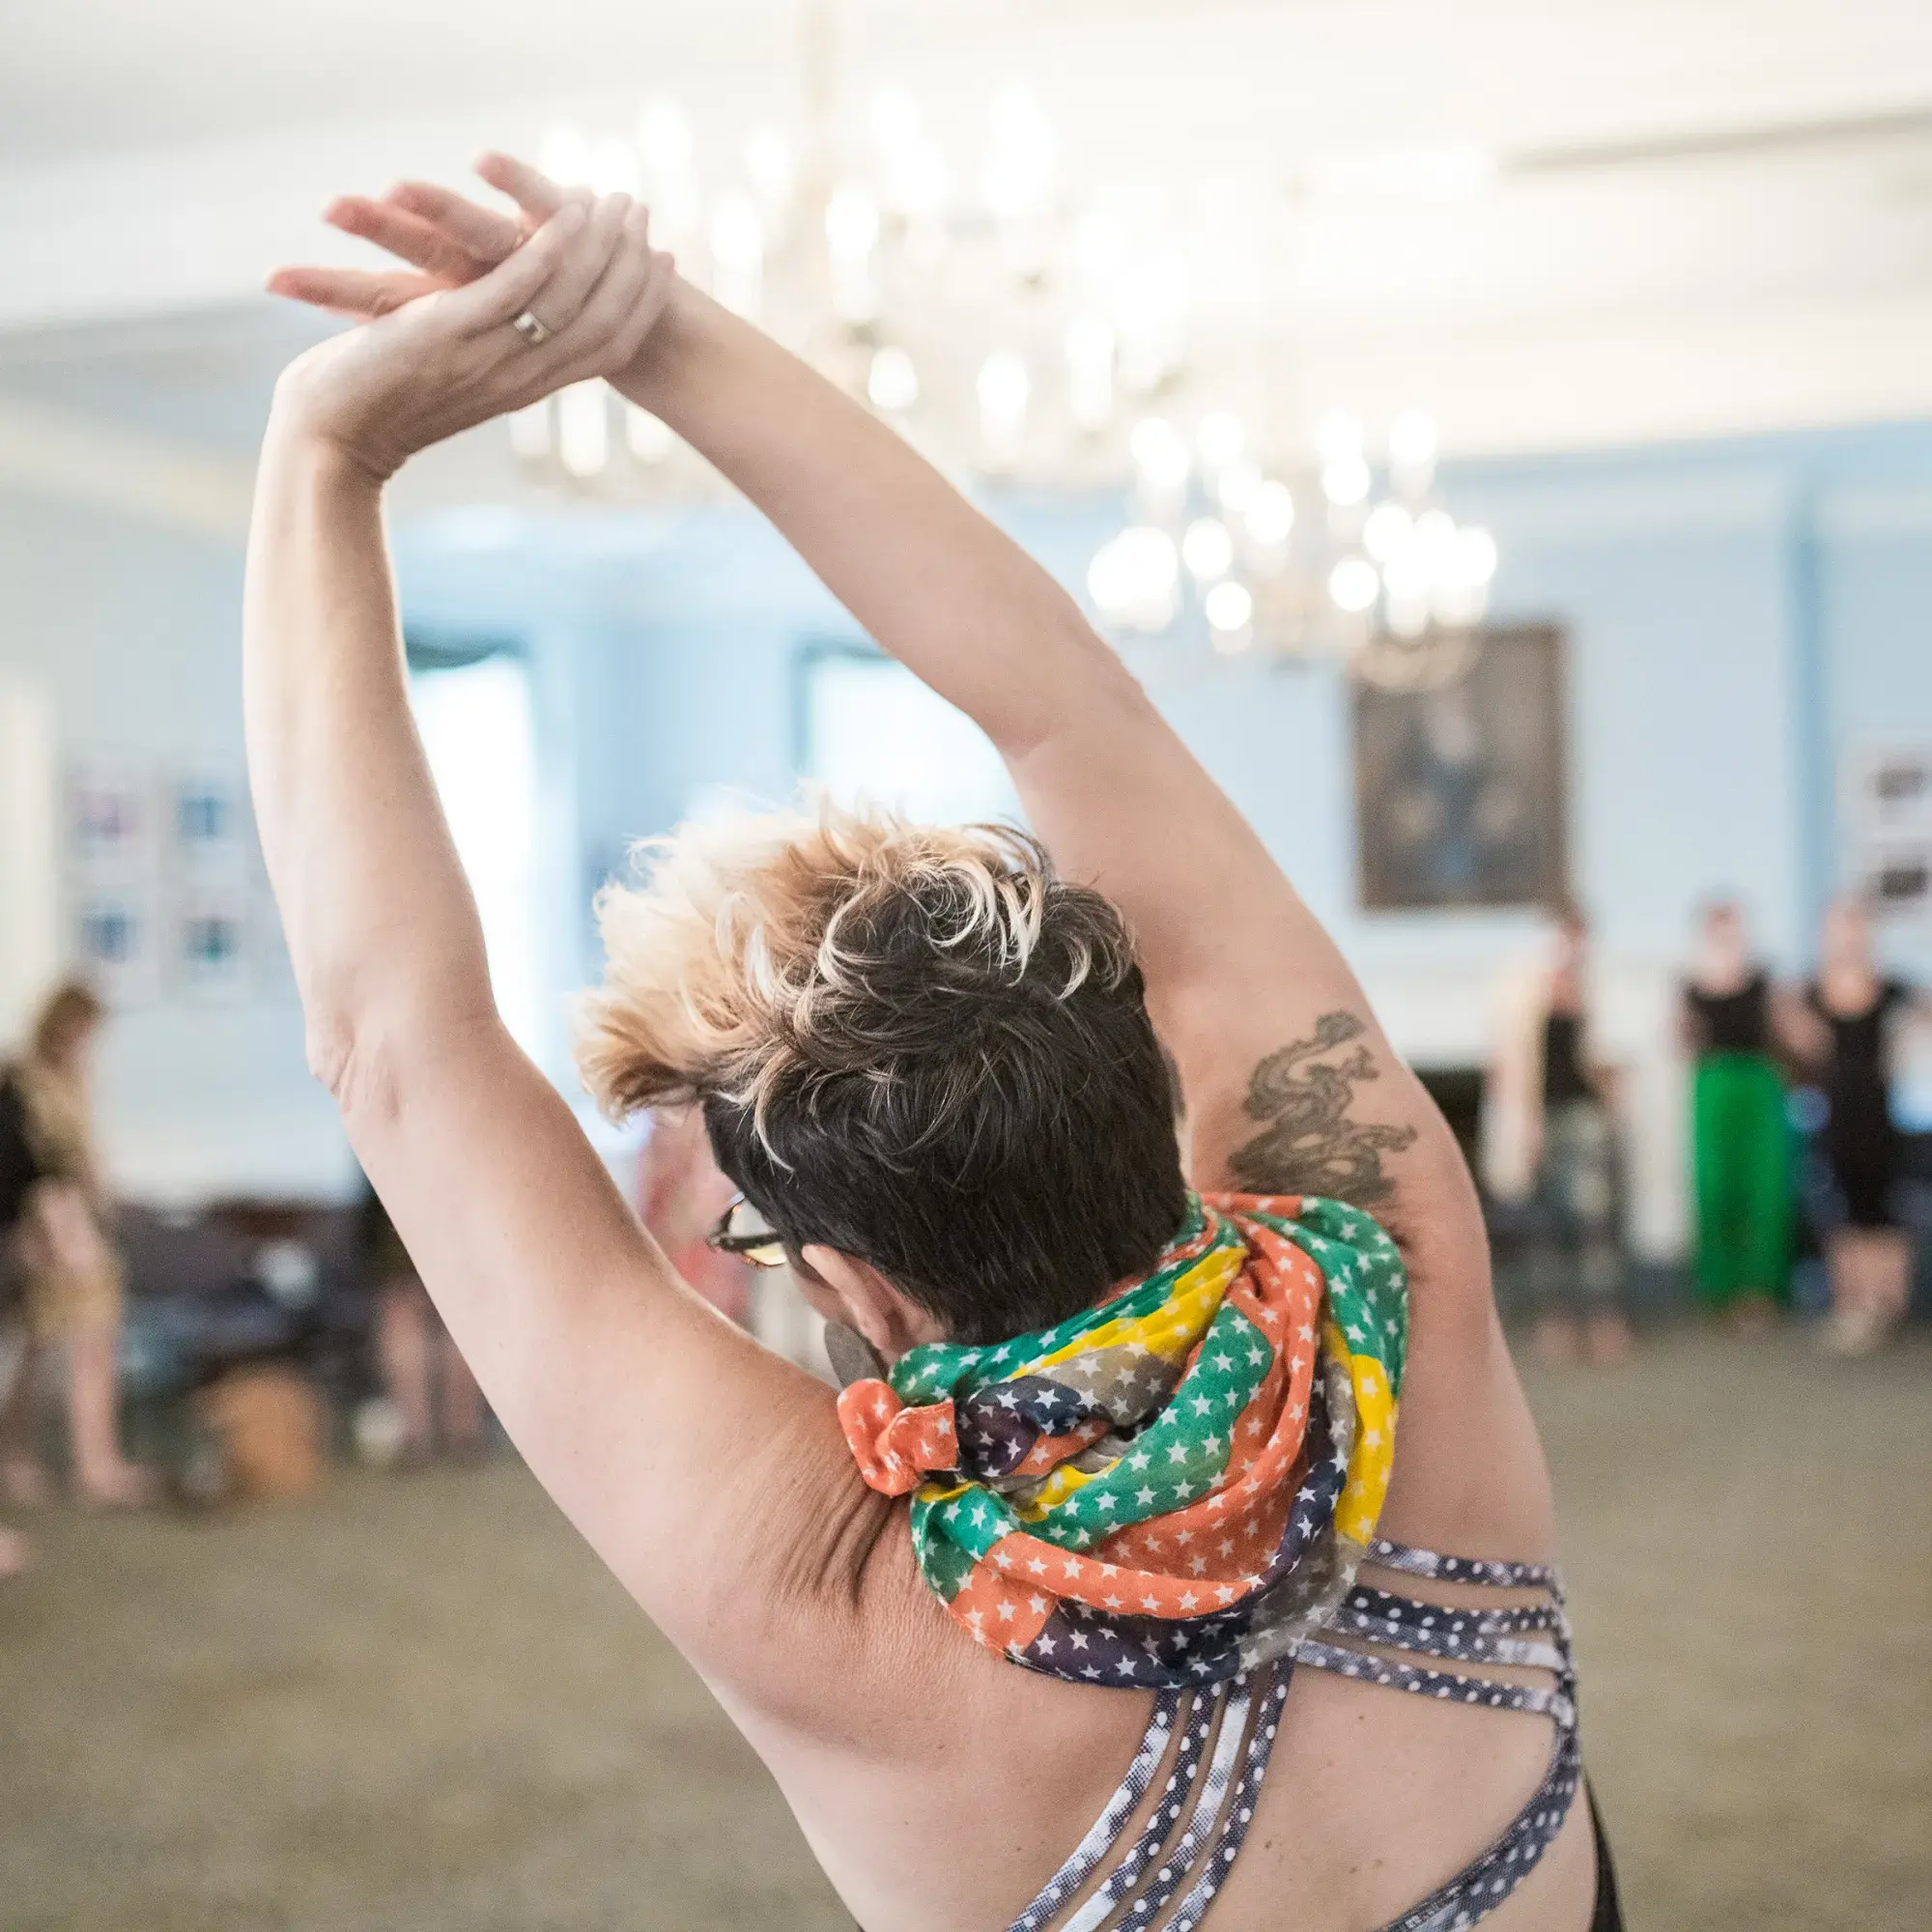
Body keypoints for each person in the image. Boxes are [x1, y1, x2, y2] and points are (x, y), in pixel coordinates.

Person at [252, 154, 1620, 1930]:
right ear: (1149, 1085)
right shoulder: (1386, 1264)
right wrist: (648, 325)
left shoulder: (827, 1597)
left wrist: (322, 455)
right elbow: (1065, 700)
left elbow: (395, 1048)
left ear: (854, 1288)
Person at [0, 981, 154, 1508]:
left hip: (82, 1222)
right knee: (39, 1347)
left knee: (93, 1340)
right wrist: (34, 1231)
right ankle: (16, 1454)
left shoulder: (77, 1080)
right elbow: (17, 1167)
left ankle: (96, 1462)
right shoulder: (19, 1083)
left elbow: (86, 1156)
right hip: (44, 1224)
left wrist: (103, 1206)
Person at [1487, 906, 1633, 1368]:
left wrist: (1615, 1110)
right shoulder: (1522, 990)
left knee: (1594, 1221)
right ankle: (1556, 1321)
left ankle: (1604, 1320)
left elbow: (1614, 1061)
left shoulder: (1600, 990)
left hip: (1586, 1118)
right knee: (1546, 1222)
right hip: (1538, 1120)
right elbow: (1507, 1065)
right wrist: (1518, 1128)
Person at [1794, 895, 1923, 1355]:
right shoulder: (1810, 992)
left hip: (1880, 1114)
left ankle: (1885, 1305)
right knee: (1844, 1212)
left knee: (1882, 1211)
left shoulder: (1891, 990)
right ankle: (1851, 1304)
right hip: (1836, 1116)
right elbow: (1798, 1053)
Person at [1679, 899, 1798, 1328]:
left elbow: (1791, 1037)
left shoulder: (1766, 981)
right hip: (1714, 1089)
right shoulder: (1691, 985)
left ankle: (1761, 1288)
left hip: (1759, 1086)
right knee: (1716, 1186)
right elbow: (1683, 1042)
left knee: (1764, 1187)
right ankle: (1721, 1287)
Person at [358, 1179, 485, 1463]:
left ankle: (418, 1437)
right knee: (456, 1327)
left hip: (402, 1221)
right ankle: (463, 1436)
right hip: (454, 1221)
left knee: (408, 1323)